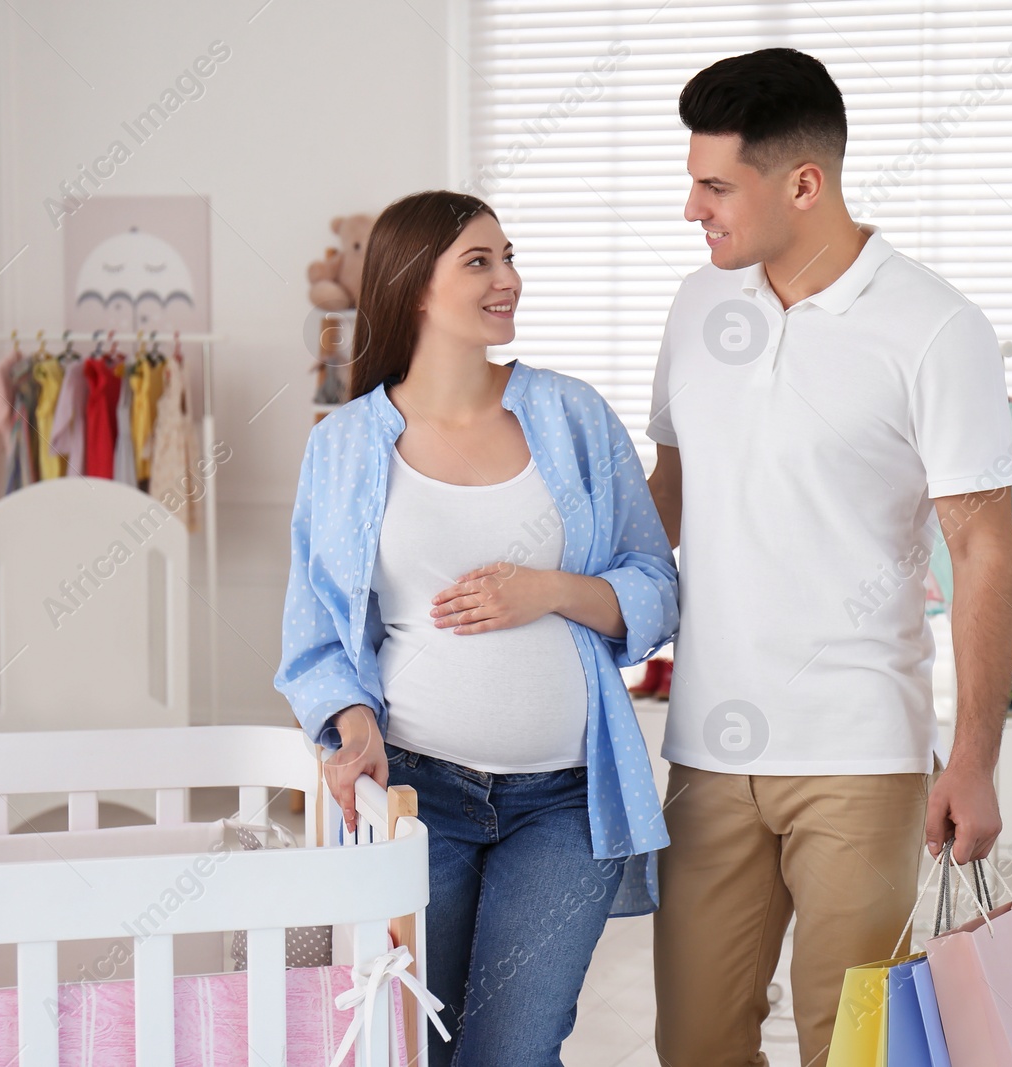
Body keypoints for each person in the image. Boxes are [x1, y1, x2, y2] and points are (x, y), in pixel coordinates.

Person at [644, 49, 1012, 1064]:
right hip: (707, 748)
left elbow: (983, 544)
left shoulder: (934, 326)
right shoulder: (695, 307)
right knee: (694, 1042)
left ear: (802, 184)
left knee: (852, 1047)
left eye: (714, 185)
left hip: (858, 747)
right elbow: (663, 504)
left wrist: (975, 757)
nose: (693, 209)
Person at [274, 189, 678, 1067]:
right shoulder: (344, 446)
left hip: (569, 800)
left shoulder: (571, 416)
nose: (510, 280)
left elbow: (655, 585)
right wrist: (354, 724)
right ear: (416, 286)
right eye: (481, 261)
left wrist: (550, 589)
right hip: (418, 797)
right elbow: (314, 639)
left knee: (512, 1048)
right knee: (415, 1041)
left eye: (509, 257)